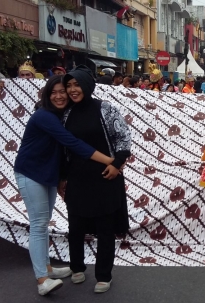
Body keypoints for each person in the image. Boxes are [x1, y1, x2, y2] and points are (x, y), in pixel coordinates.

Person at [13, 75, 115, 296]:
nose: (60, 96)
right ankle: (42, 280)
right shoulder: (44, 116)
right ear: (47, 96)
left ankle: (47, 268)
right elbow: (73, 143)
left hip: (47, 175)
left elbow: (61, 152)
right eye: (54, 92)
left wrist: (61, 178)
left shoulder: (62, 115)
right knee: (39, 225)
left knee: (43, 223)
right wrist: (111, 161)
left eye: (63, 92)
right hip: (31, 173)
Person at [60, 65, 131, 293]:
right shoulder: (66, 113)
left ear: (87, 85)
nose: (72, 89)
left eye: (76, 84)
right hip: (77, 178)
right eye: (69, 85)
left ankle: (103, 275)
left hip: (105, 177)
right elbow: (62, 147)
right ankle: (77, 268)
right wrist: (62, 177)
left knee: (105, 228)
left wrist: (116, 165)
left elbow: (123, 138)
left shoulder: (105, 109)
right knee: (76, 226)